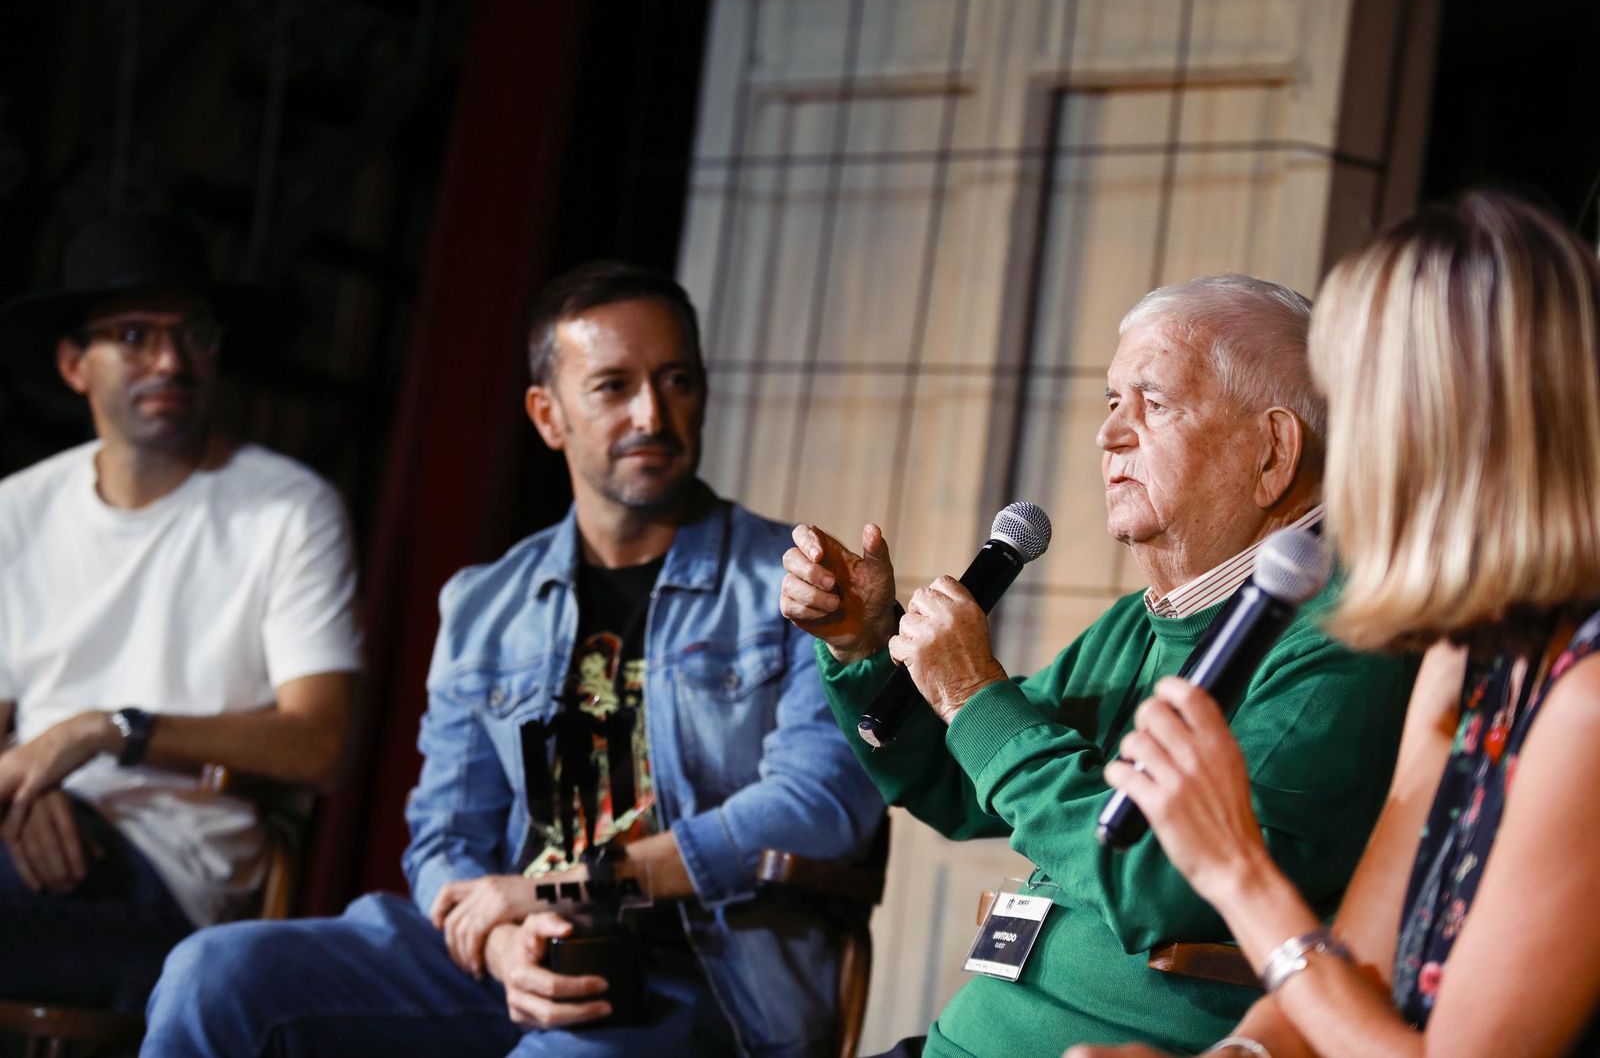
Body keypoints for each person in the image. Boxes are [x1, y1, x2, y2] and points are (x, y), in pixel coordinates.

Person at [144, 261, 885, 1058]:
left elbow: (821, 807)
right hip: (511, 950)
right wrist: (497, 944)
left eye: (676, 380)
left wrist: (575, 884)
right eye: (611, 386)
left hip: (701, 977)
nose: (652, 413)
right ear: (548, 414)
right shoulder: (485, 606)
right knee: (214, 974)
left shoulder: (797, 585)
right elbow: (443, 836)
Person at [780, 275, 1419, 1058]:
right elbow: (957, 785)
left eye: (1152, 404)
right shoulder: (1151, 617)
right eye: (1111, 402)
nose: (1108, 436)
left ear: (1273, 452)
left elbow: (1161, 881)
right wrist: (861, 648)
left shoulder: (1347, 634)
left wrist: (977, 693)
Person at [1065, 194, 1600, 1058]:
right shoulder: (1471, 653)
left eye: (1359, 399)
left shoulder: (1589, 704)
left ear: (1464, 425)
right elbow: (1353, 967)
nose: (1334, 447)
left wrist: (1236, 870)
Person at [0, 211, 362, 1013]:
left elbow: (321, 744)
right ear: (73, 364)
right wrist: (30, 791)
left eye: (193, 332)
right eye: (132, 335)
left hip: (169, 872)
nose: (170, 360)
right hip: (26, 837)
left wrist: (105, 730)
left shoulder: (288, 509)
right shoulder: (16, 512)